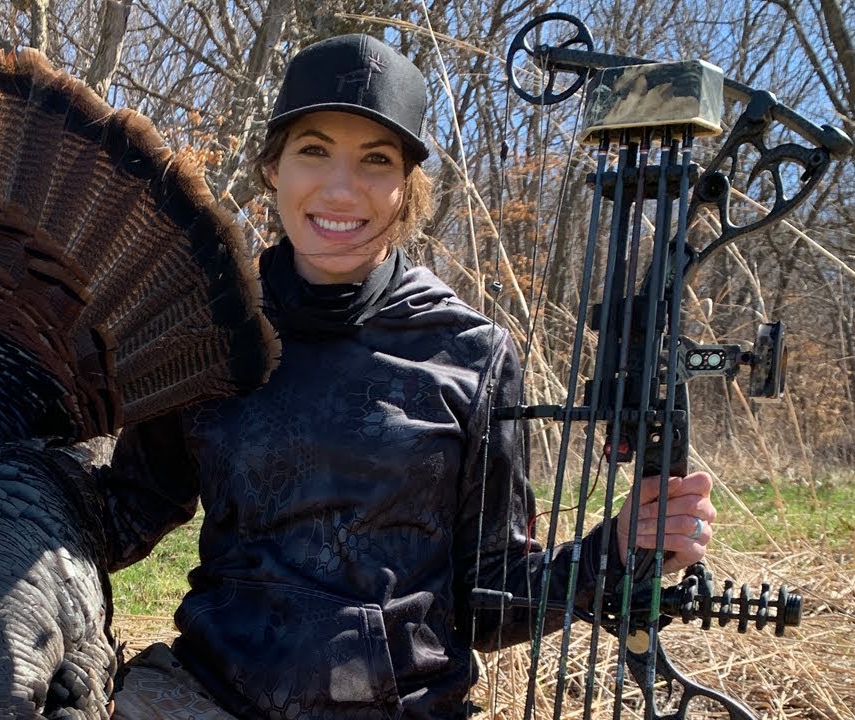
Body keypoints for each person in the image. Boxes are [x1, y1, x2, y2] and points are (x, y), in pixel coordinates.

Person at [100, 33, 717, 720]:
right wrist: (10, 477)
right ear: (273, 167)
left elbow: (490, 600)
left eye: (376, 160)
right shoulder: (207, 330)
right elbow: (123, 514)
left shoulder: (470, 354)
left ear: (407, 188)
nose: (341, 188)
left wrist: (618, 549)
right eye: (313, 151)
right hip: (207, 699)